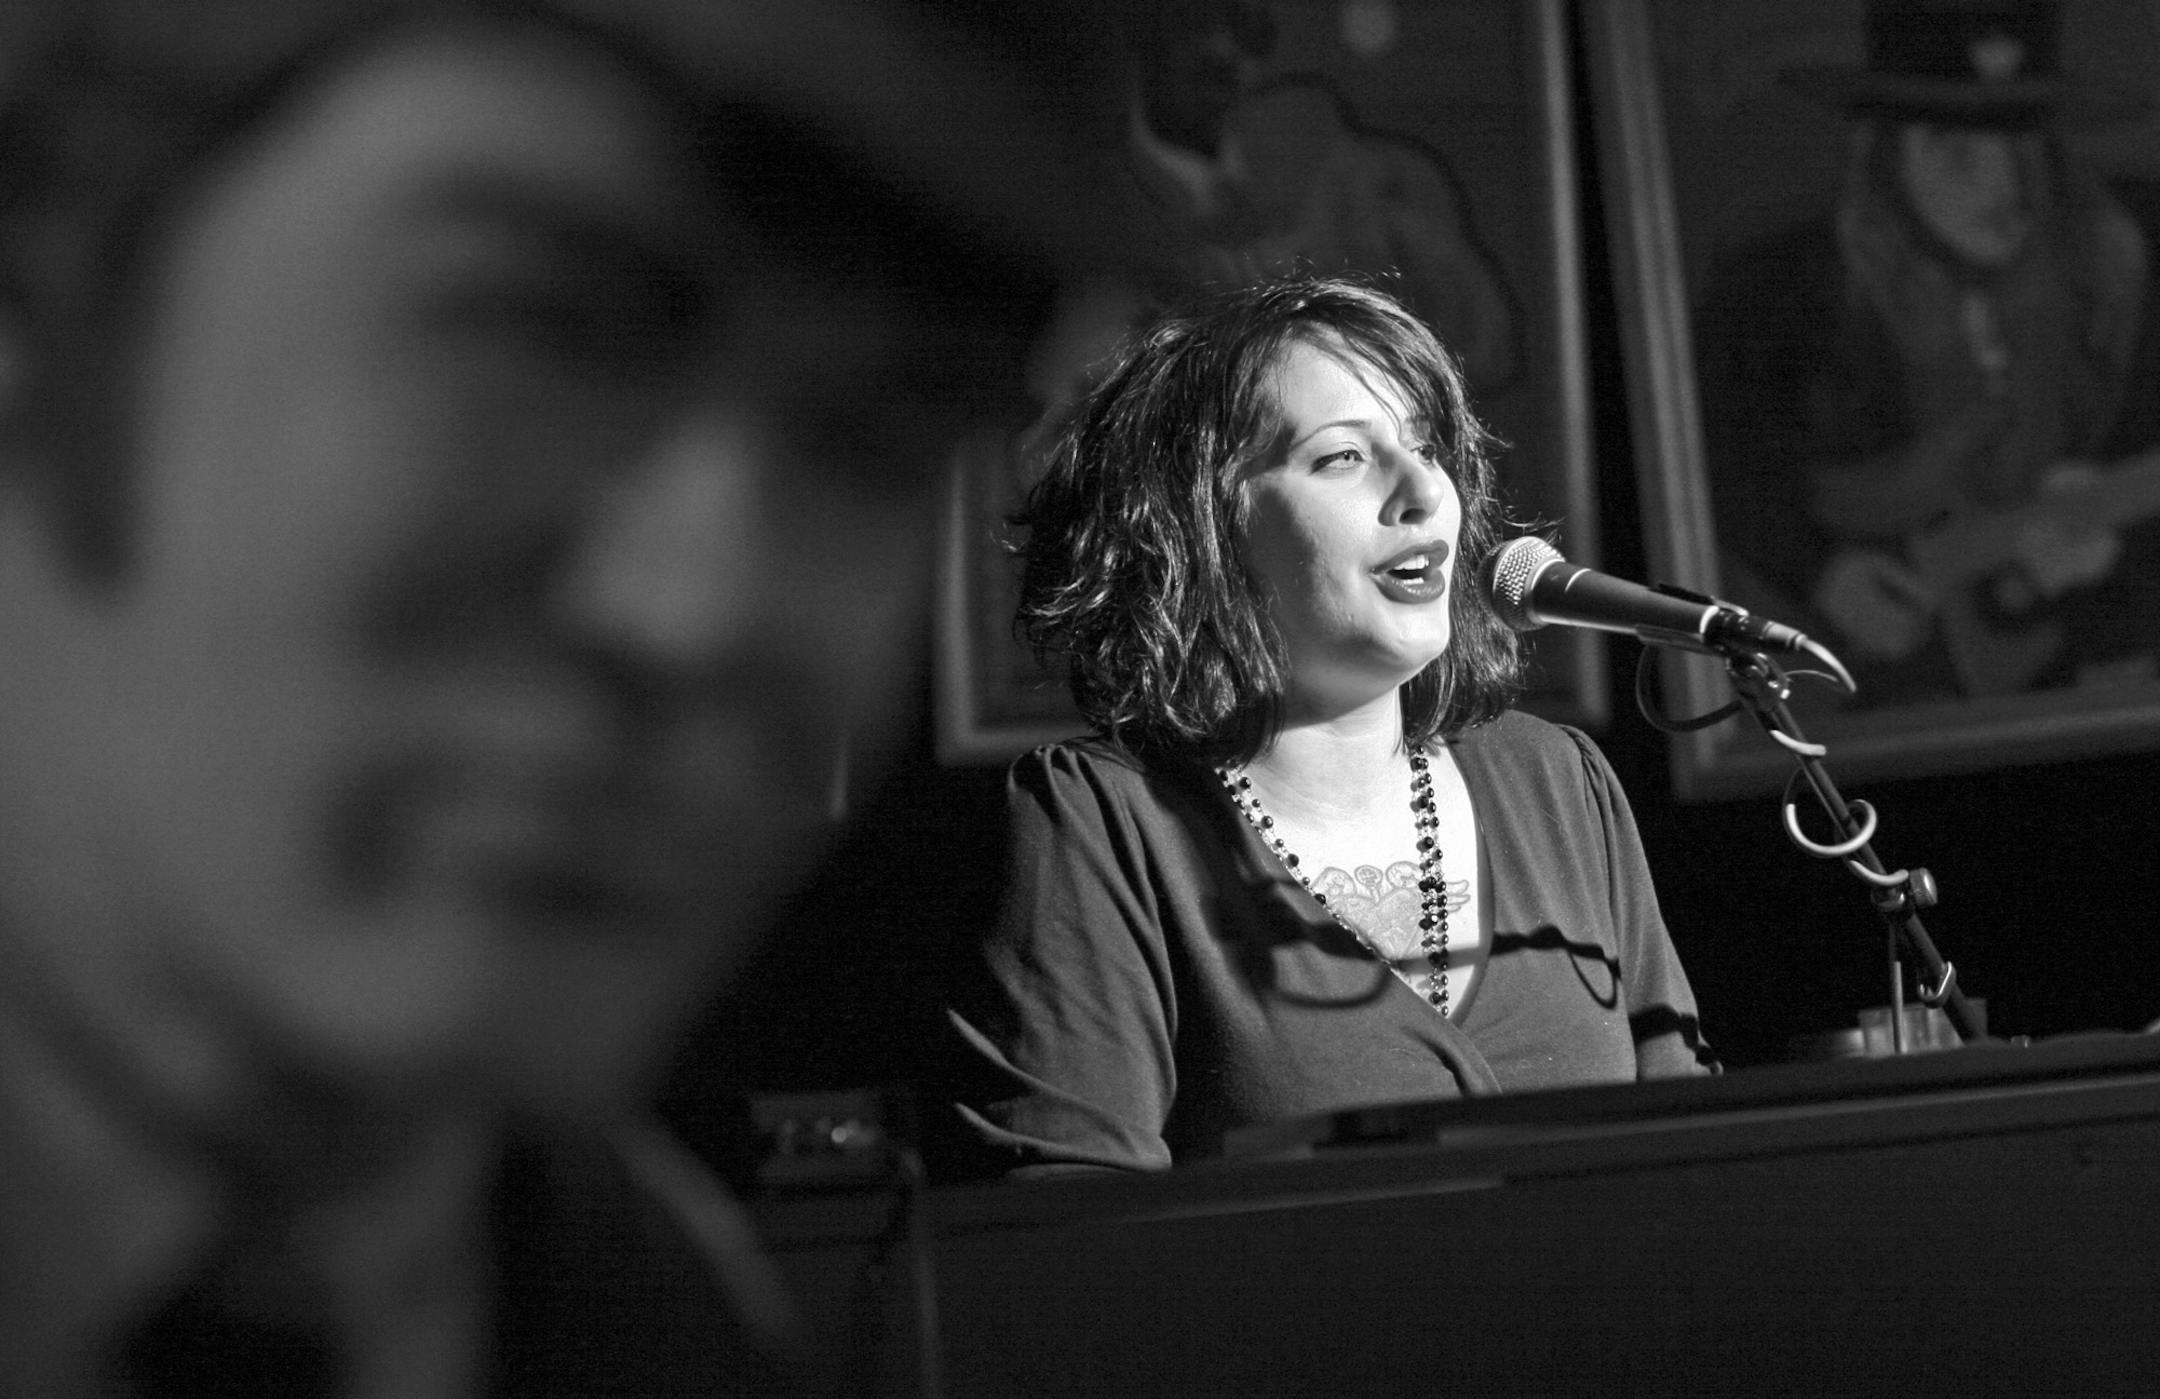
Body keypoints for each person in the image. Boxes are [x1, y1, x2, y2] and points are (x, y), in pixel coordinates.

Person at [0, 0, 1122, 1393]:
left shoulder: (647, 1314)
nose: (697, 610)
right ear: (40, 314)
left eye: (881, 440)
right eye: (542, 327)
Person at [937, 274, 1715, 1178]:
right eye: (1342, 456)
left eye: (1427, 446)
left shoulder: (1557, 781)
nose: (1421, 491)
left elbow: (1690, 1154)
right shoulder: (1104, 821)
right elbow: (1072, 1216)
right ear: (1203, 527)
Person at [1694, 0, 2160, 706]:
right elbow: (1716, 467)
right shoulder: (1779, 290)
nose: (2003, 185)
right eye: (1954, 147)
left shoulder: (2129, 261)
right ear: (1886, 155)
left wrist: (2108, 551)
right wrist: (1823, 574)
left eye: (2020, 144)